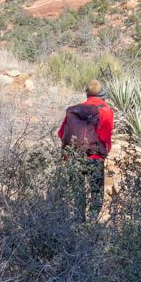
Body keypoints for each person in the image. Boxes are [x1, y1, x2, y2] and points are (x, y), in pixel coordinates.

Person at [58, 79, 114, 222]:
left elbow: (61, 133)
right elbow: (105, 136)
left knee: (78, 193)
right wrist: (104, 151)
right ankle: (92, 226)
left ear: (87, 95)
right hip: (94, 157)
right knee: (96, 192)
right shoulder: (106, 110)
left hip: (74, 157)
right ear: (103, 94)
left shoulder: (74, 110)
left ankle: (79, 224)